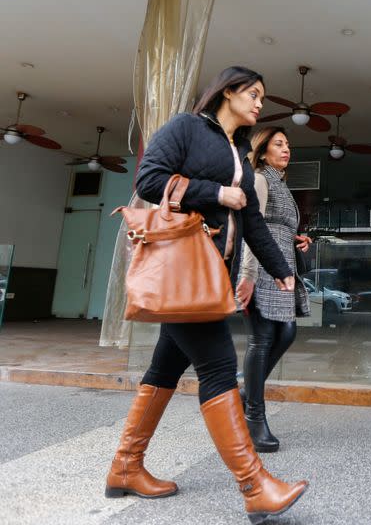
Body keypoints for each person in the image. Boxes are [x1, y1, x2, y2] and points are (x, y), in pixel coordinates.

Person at [104, 66, 308, 522]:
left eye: (261, 96)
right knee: (218, 367)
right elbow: (149, 181)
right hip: (184, 272)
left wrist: (281, 272)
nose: (259, 103)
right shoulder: (186, 128)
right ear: (227, 92)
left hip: (209, 274)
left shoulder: (238, 150)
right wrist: (217, 192)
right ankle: (255, 486)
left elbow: (251, 219)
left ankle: (125, 467)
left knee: (164, 368)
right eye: (253, 93)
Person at [236, 126, 311, 452]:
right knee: (263, 339)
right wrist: (249, 274)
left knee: (287, 334)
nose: (286, 149)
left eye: (288, 145)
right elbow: (254, 228)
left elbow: (278, 226)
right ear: (263, 151)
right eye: (278, 144)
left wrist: (298, 239)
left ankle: (243, 394)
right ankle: (254, 417)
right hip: (263, 269)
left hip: (283, 269)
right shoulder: (260, 179)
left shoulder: (281, 184)